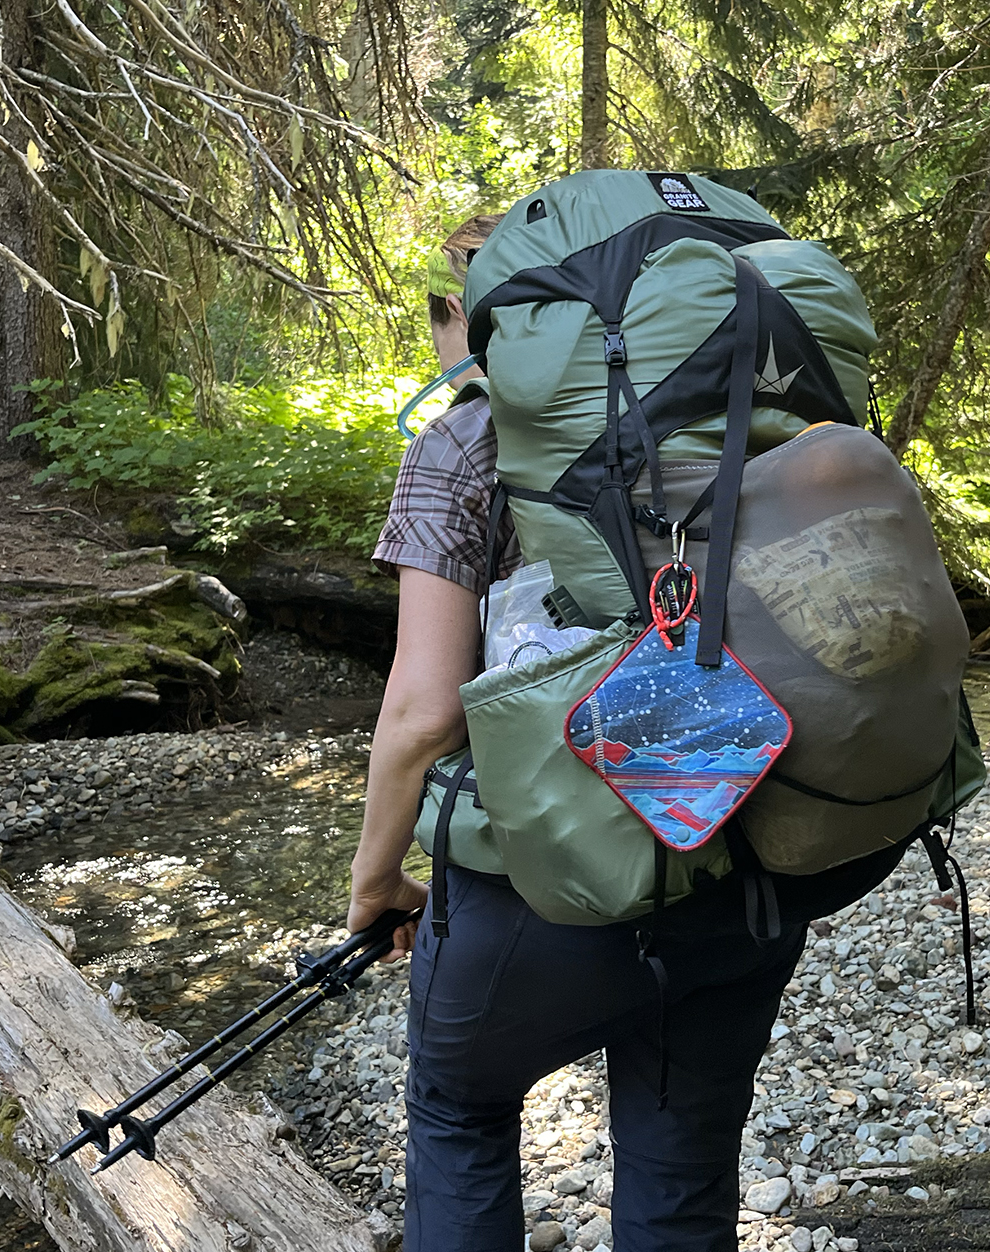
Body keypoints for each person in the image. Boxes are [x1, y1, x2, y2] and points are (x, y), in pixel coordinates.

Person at [349, 215, 828, 1252]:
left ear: (470, 314)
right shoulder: (753, 418)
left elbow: (424, 709)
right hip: (741, 849)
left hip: (539, 888)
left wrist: (374, 882)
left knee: (458, 1110)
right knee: (681, 1168)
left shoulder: (465, 437)